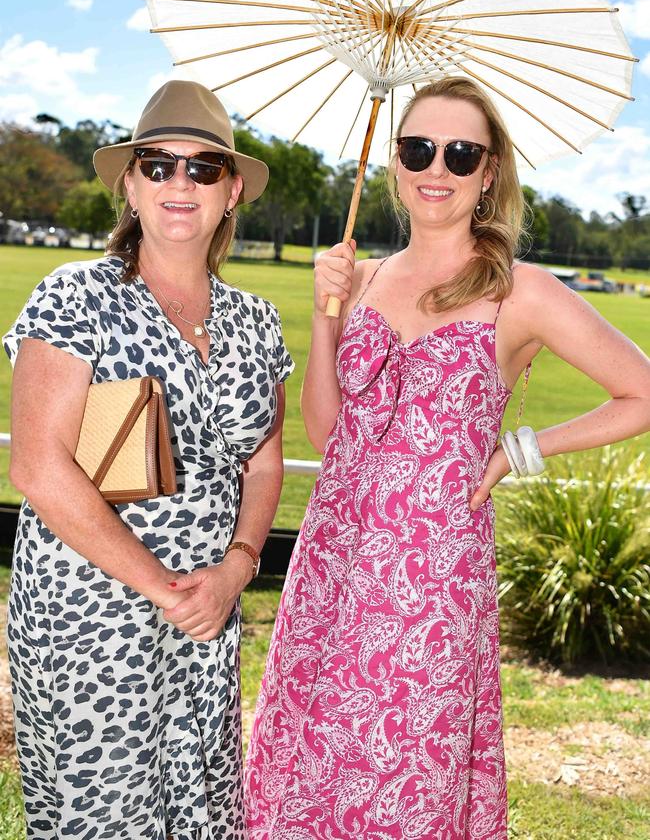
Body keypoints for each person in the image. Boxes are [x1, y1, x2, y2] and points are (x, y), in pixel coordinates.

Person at [244, 75, 650, 839]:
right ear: (394, 162)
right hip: (331, 563)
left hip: (430, 583)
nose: (437, 168)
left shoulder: (520, 292)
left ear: (490, 171)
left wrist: (517, 452)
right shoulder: (359, 277)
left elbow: (642, 392)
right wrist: (325, 314)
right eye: (418, 148)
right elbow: (329, 435)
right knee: (307, 765)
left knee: (404, 776)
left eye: (461, 153)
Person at [4, 80, 294, 840]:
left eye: (202, 169)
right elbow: (37, 467)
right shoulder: (75, 297)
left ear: (231, 192)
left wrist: (235, 569)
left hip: (206, 616)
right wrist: (164, 588)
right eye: (158, 164)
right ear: (129, 185)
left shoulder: (257, 323)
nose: (179, 183)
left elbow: (264, 465)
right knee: (103, 820)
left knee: (199, 812)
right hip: (91, 618)